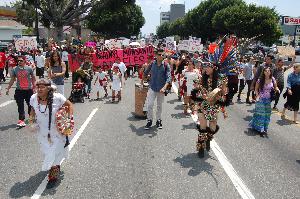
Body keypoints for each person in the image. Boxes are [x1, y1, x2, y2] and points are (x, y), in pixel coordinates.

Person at [28, 78, 73, 186]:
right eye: (38, 87)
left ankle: (53, 175)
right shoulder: (33, 98)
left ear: (48, 88)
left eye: (42, 87)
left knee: (55, 153)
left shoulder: (58, 97)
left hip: (57, 132)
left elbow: (69, 105)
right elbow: (32, 111)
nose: (39, 89)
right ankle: (53, 166)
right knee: (47, 152)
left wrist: (67, 120)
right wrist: (31, 122)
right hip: (42, 132)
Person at [191, 62, 228, 158]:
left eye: (208, 67)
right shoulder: (200, 79)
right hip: (202, 105)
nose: (205, 69)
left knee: (212, 128)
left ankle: (208, 139)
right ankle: (201, 148)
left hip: (214, 107)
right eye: (205, 67)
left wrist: (223, 108)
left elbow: (224, 95)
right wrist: (201, 95)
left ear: (214, 69)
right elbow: (195, 92)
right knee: (202, 127)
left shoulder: (221, 79)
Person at [143, 49, 171, 130]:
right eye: (159, 54)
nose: (161, 56)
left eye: (163, 55)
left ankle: (158, 120)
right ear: (156, 55)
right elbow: (145, 73)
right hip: (152, 87)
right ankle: (149, 120)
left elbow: (168, 78)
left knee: (159, 106)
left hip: (161, 89)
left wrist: (164, 88)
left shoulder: (166, 65)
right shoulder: (152, 64)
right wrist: (146, 78)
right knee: (150, 105)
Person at [6, 56, 36, 127]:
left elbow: (33, 78)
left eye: (21, 61)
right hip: (19, 91)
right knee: (20, 105)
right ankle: (21, 120)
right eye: (18, 61)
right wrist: (8, 88)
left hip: (28, 90)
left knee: (30, 105)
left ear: (24, 61)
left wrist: (35, 87)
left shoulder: (29, 68)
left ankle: (31, 116)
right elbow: (12, 79)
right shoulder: (15, 69)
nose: (19, 62)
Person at [249, 67, 279, 136]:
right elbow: (256, 89)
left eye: (269, 71)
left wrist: (277, 89)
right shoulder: (260, 80)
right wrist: (257, 95)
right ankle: (261, 129)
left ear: (271, 72)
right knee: (261, 114)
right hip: (261, 99)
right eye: (266, 71)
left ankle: (264, 127)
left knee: (267, 114)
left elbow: (275, 87)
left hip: (268, 100)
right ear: (264, 72)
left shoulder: (273, 79)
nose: (267, 72)